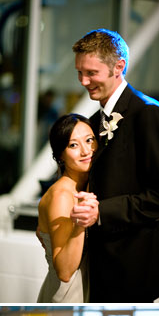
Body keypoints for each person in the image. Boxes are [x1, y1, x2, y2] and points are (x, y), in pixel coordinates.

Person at [68, 25, 159, 297]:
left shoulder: (148, 114)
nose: (83, 81)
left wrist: (102, 213)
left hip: (132, 261)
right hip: (100, 258)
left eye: (91, 73)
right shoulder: (95, 121)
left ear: (119, 67)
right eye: (80, 72)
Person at [36, 111, 99, 298]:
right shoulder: (62, 195)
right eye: (73, 145)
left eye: (89, 140)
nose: (86, 151)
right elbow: (64, 272)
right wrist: (81, 223)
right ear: (60, 155)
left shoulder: (85, 185)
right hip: (68, 293)